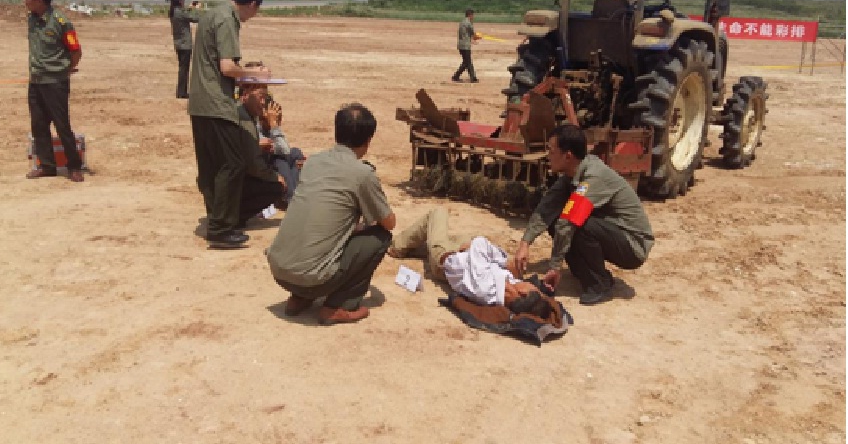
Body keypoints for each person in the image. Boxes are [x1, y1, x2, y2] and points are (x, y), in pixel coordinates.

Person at [267, 104, 396, 325]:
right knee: (380, 238)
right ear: (368, 141)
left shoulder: (312, 162)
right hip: (312, 279)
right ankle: (338, 306)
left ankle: (299, 298)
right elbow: (389, 222)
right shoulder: (362, 173)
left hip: (280, 271)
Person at [514, 124, 655, 305]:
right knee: (556, 220)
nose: (548, 156)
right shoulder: (571, 174)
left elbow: (568, 222)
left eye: (551, 151)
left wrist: (554, 267)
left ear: (568, 156)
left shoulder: (593, 177)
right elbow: (546, 208)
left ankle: (599, 284)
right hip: (612, 233)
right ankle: (587, 272)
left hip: (633, 245)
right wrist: (525, 243)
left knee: (577, 223)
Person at [187, 0, 270, 249]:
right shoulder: (228, 19)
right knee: (232, 164)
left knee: (210, 166)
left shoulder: (212, 14)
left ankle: (217, 220)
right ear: (253, 4)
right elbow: (227, 67)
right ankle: (222, 228)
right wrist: (254, 73)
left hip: (199, 103)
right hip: (216, 103)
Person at [388, 208, 542, 308]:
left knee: (437, 214)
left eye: (531, 287)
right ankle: (423, 244)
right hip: (465, 254)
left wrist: (503, 261)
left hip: (444, 256)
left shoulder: (485, 287)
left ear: (522, 293)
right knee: (463, 238)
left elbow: (480, 244)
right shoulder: (508, 288)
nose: (529, 283)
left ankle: (396, 247)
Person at [23, 0, 84, 183]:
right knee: (39, 125)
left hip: (55, 82)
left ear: (39, 0)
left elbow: (75, 50)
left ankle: (74, 166)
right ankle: (47, 166)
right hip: (36, 81)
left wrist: (66, 69)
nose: (25, 2)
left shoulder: (61, 22)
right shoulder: (31, 19)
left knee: (62, 125)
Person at [235, 76, 288, 228]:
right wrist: (274, 177)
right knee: (276, 182)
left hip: (229, 180)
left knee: (293, 156)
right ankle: (235, 216)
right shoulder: (245, 120)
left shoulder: (246, 116)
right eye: (261, 97)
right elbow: (254, 164)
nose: (264, 102)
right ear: (245, 95)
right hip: (234, 181)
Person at [257, 96, 305, 207]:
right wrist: (274, 125)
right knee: (280, 160)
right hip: (261, 169)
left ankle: (294, 194)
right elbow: (284, 149)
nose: (277, 121)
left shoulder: (271, 129)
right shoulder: (257, 129)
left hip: (272, 163)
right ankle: (291, 198)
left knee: (296, 153)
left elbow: (286, 149)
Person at [168, 0, 200, 99]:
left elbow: (184, 14)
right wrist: (197, 9)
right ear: (180, 1)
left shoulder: (174, 11)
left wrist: (190, 8)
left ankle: (181, 91)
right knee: (184, 69)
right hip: (185, 44)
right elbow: (195, 19)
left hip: (178, 43)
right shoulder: (180, 12)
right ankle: (182, 92)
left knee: (183, 68)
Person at [451, 8, 481, 83]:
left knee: (466, 62)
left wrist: (473, 39)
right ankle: (472, 78)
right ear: (470, 15)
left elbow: (465, 35)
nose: (473, 17)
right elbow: (473, 35)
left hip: (460, 45)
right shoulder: (469, 23)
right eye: (473, 15)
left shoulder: (462, 22)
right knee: (468, 62)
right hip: (466, 46)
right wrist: (479, 37)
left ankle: (457, 76)